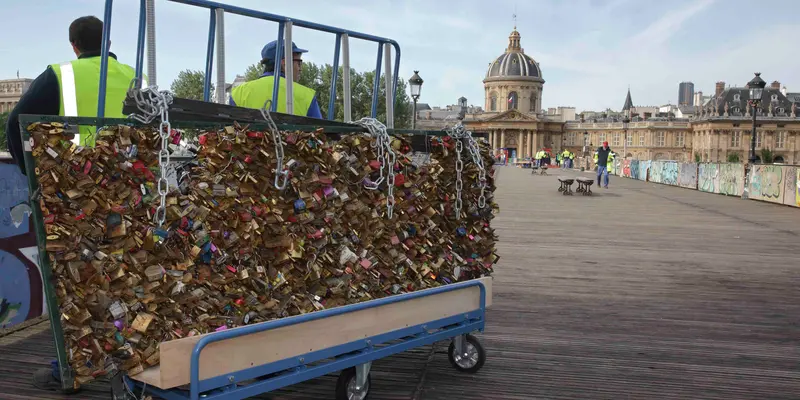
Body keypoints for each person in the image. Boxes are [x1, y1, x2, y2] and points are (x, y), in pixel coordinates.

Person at [6, 16, 139, 175]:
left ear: (74, 45)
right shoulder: (138, 77)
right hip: (130, 180)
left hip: (77, 182)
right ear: (108, 43)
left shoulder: (59, 75)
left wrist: (29, 171)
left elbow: (16, 122)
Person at [230, 40, 322, 118]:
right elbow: (320, 134)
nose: (300, 69)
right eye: (299, 63)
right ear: (284, 63)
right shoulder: (306, 96)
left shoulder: (238, 93)